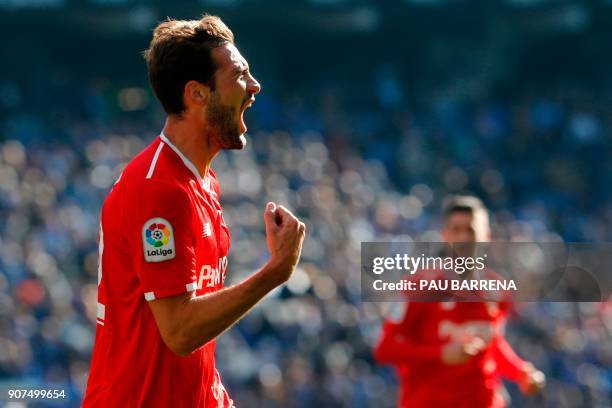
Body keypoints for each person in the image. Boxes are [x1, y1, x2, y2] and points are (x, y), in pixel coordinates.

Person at [83, 15, 305, 407]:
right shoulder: (158, 191)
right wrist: (276, 272)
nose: (254, 87)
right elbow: (181, 331)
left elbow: (191, 343)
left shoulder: (202, 182)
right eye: (239, 75)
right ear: (197, 94)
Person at [373, 195, 544, 408]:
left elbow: (492, 345)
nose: (463, 237)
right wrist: (440, 354)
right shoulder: (420, 287)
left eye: (471, 230)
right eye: (456, 230)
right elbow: (385, 349)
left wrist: (520, 372)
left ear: (486, 237)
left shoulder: (497, 290)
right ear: (444, 235)